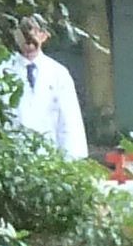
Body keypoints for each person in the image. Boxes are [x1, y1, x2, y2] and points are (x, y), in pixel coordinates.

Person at [8, 12, 89, 161]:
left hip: (49, 159)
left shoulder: (58, 73)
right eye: (24, 32)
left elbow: (69, 120)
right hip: (11, 157)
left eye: (35, 31)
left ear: (44, 36)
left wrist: (70, 161)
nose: (29, 37)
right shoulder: (2, 70)